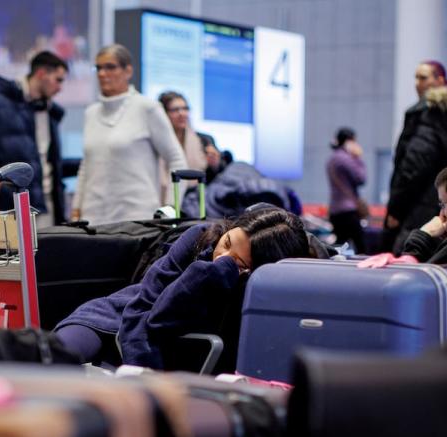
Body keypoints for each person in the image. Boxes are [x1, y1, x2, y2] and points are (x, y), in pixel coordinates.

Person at [55, 206, 310, 368]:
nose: (222, 256)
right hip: (114, 319)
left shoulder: (262, 289)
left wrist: (215, 274)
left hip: (171, 350)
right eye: (228, 241)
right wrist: (143, 378)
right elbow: (145, 311)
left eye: (237, 261)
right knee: (51, 361)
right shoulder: (199, 237)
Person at [70, 44, 187, 225]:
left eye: (110, 67)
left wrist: (171, 208)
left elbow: (176, 160)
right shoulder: (91, 113)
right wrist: (76, 208)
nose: (102, 73)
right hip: (92, 221)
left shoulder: (147, 108)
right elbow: (87, 165)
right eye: (98, 68)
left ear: (128, 71)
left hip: (137, 222)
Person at [384, 60, 447, 253]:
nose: (417, 83)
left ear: (440, 80)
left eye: (423, 77)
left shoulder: (429, 116)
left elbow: (413, 167)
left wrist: (395, 209)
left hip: (420, 209)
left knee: (405, 266)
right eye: (416, 77)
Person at [0, 51, 69, 225]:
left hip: (46, 206)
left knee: (46, 252)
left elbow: (47, 160)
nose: (60, 88)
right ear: (42, 74)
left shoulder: (50, 111)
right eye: (58, 79)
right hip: (8, 207)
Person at [158, 91, 207, 204]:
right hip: (161, 199)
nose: (182, 113)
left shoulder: (202, 140)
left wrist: (215, 163)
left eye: (185, 108)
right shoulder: (155, 142)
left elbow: (214, 172)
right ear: (164, 114)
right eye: (175, 110)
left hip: (195, 200)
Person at [326, 127, 367, 252]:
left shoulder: (331, 159)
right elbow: (361, 178)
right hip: (348, 210)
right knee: (361, 247)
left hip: (334, 210)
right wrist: (357, 157)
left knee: (340, 246)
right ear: (349, 141)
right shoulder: (346, 158)